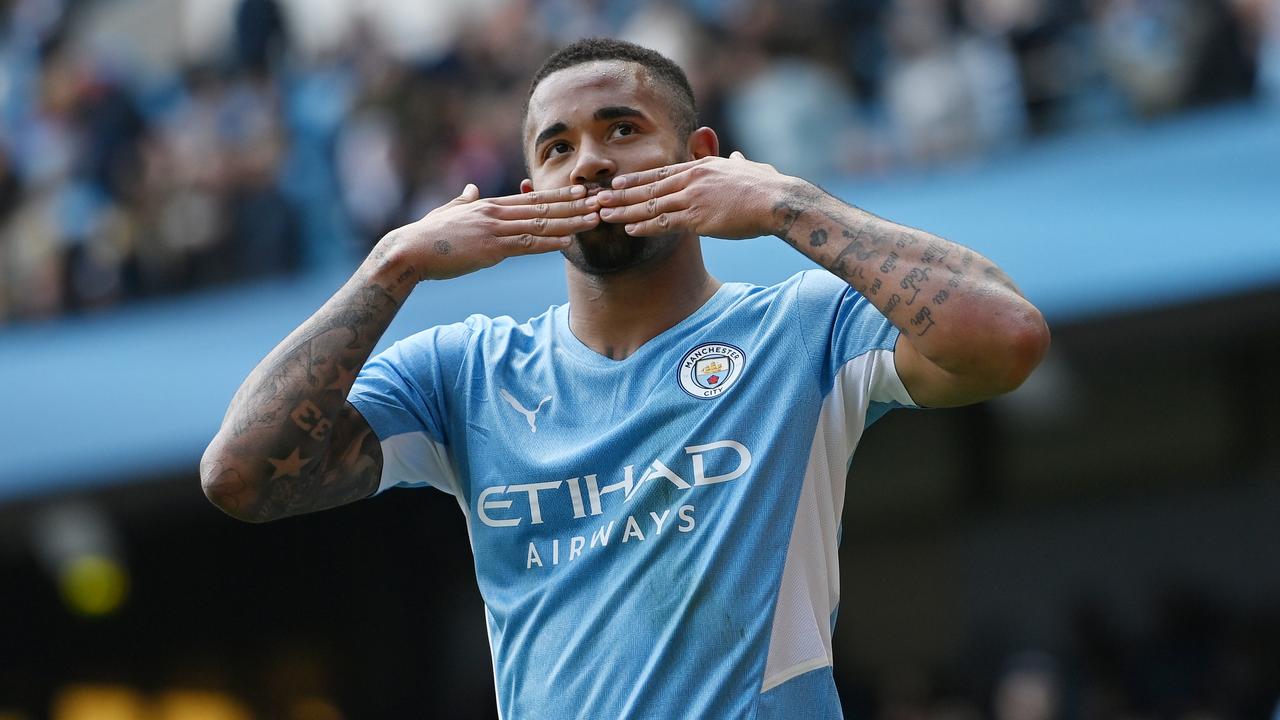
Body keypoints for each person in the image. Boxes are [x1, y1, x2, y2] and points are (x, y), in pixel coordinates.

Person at [200, 38, 1049, 719]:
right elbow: (240, 477)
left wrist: (789, 203)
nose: (591, 164)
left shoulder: (803, 328)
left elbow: (1007, 339)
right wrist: (390, 266)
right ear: (532, 191)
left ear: (702, 157)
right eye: (559, 147)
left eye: (622, 130)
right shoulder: (464, 371)